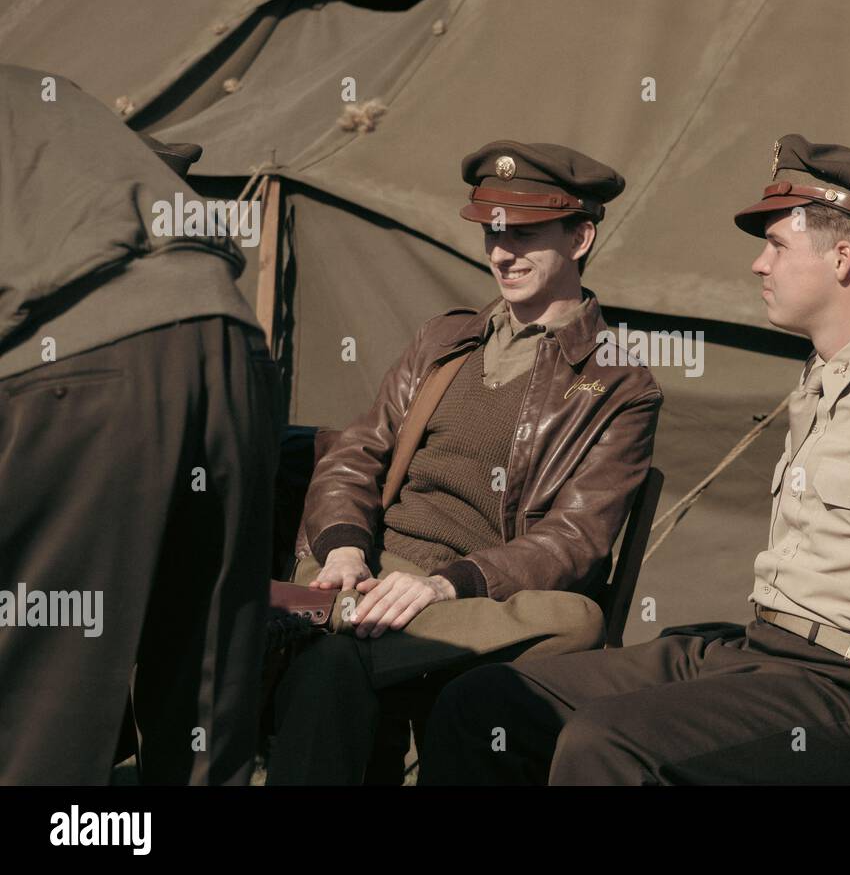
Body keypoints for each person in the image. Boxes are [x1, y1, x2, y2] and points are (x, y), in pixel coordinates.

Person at [421, 133, 850, 785]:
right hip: (758, 651)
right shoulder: (823, 379)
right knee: (486, 702)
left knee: (608, 746)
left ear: (842, 259)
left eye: (778, 246)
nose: (759, 265)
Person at [266, 141, 662, 784]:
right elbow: (355, 454)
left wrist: (445, 583)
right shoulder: (442, 340)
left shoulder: (619, 383)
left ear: (581, 236)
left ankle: (318, 623)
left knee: (575, 618)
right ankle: (334, 615)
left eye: (526, 235)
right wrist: (341, 549)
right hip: (369, 569)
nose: (503, 254)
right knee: (331, 666)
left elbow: (576, 540)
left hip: (474, 596)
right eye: (493, 233)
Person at [0, 65, 280, 784]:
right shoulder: (39, 89)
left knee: (38, 720)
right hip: (229, 339)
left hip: (82, 369)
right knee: (203, 713)